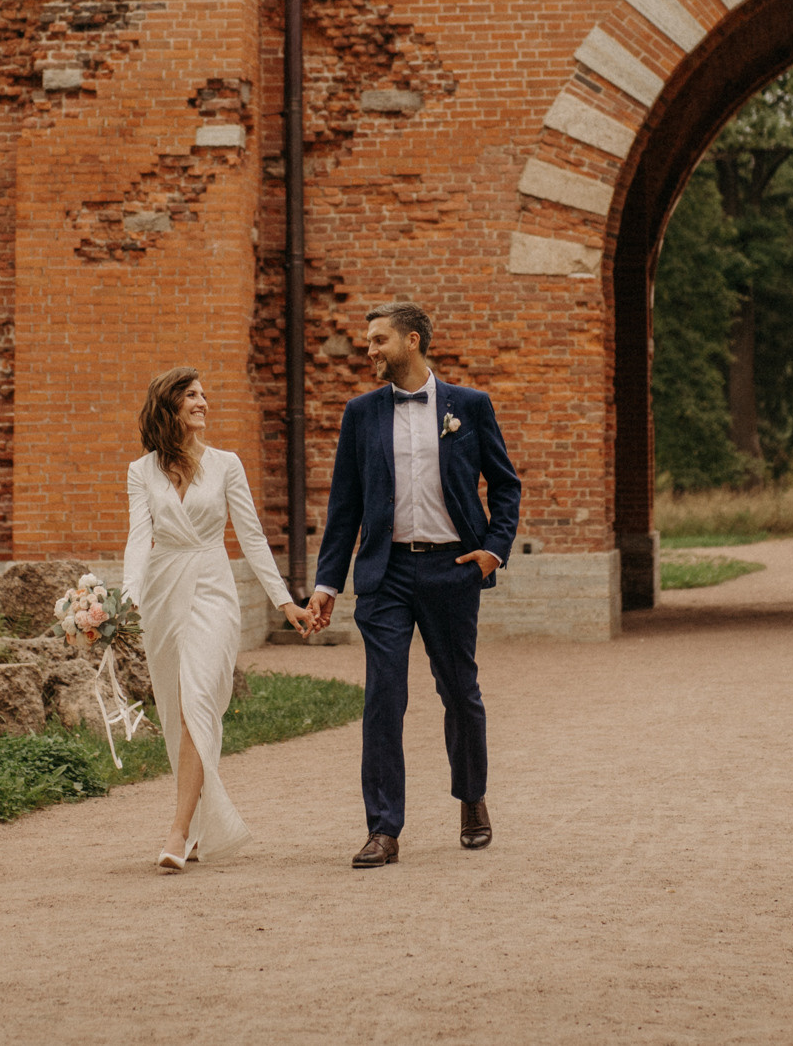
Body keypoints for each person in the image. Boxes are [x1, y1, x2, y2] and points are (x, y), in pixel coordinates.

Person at [304, 301, 521, 868]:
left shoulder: (468, 406)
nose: (369, 351)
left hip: (453, 569)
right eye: (368, 342)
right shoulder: (361, 413)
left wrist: (493, 551)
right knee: (383, 698)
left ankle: (472, 797)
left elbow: (505, 484)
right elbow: (343, 505)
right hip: (386, 575)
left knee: (459, 690)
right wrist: (327, 582)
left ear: (414, 341)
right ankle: (383, 828)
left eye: (379, 341)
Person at [125, 366, 313, 872]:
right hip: (163, 594)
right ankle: (194, 826)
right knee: (175, 710)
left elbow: (250, 538)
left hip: (211, 588)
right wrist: (127, 598)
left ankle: (178, 829)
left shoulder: (227, 464)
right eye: (192, 395)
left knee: (198, 705)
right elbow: (138, 539)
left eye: (205, 394)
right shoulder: (140, 471)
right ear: (170, 406)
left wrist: (285, 601)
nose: (203, 402)